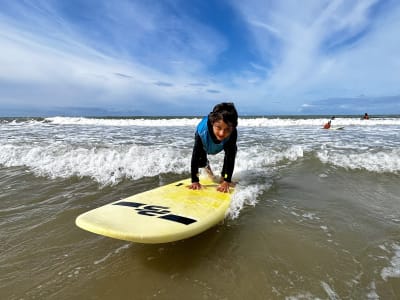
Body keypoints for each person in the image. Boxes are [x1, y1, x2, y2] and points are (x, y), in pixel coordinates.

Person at [188, 102, 238, 193]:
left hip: (225, 146)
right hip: (205, 141)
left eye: (227, 129)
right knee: (201, 161)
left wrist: (227, 180)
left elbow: (230, 158)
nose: (222, 133)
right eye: (218, 127)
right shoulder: (202, 131)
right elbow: (195, 156)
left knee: (231, 152)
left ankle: (223, 178)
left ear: (232, 127)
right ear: (212, 122)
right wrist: (195, 180)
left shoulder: (232, 132)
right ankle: (208, 170)